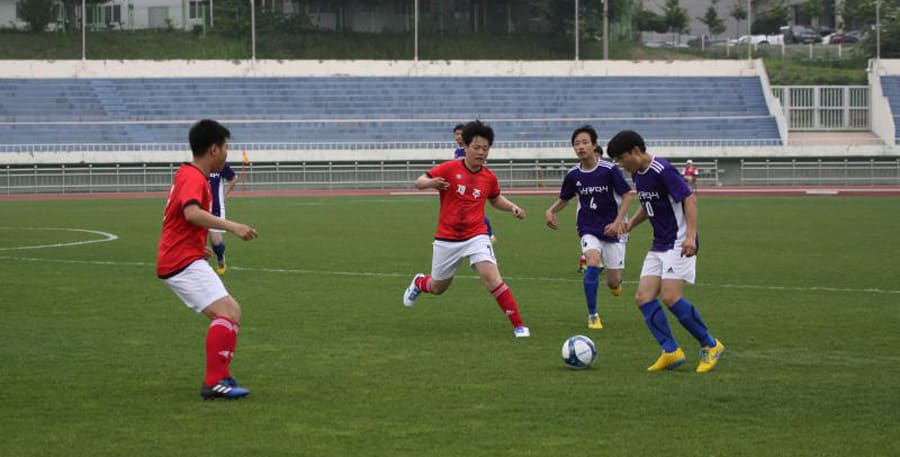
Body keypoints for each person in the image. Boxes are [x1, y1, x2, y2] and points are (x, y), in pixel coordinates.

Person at [606, 130, 725, 374]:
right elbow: (648, 204)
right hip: (659, 243)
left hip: (679, 241)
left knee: (670, 297)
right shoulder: (638, 174)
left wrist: (691, 236)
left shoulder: (662, 169)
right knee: (643, 297)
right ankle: (671, 351)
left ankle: (711, 345)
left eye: (621, 158)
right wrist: (630, 224)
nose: (621, 164)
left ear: (636, 151)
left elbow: (689, 200)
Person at [156, 119, 259, 399]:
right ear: (213, 149)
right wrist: (233, 226)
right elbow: (190, 213)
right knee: (227, 312)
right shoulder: (193, 177)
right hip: (180, 262)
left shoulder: (189, 174)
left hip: (184, 256)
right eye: (226, 147)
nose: (227, 154)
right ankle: (214, 382)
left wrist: (195, 244)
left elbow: (177, 219)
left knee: (231, 312)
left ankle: (221, 376)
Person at [404, 120, 530, 338]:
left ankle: (519, 325)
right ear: (466, 147)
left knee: (492, 277)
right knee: (438, 287)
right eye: (476, 147)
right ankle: (419, 282)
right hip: (447, 238)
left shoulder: (488, 177)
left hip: (476, 235)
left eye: (485, 148)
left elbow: (495, 199)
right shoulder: (450, 168)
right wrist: (431, 184)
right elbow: (419, 181)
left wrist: (512, 207)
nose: (481, 152)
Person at [545, 125, 635, 330]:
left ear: (594, 145)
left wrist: (618, 221)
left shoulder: (609, 170)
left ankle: (615, 284)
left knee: (613, 282)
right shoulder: (573, 175)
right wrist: (550, 210)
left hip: (613, 229)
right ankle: (593, 315)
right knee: (592, 261)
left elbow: (628, 194)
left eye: (585, 142)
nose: (581, 147)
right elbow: (564, 198)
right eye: (577, 144)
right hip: (588, 226)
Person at [454, 123, 496, 243]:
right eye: (456, 134)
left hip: (471, 185)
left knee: (475, 211)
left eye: (460, 134)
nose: (458, 137)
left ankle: (489, 234)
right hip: (461, 185)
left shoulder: (469, 150)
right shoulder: (458, 151)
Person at [208, 164, 238, 275]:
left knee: (216, 242)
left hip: (215, 208)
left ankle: (220, 257)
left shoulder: (219, 163)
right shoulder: (198, 164)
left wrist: (224, 195)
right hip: (198, 206)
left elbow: (234, 178)